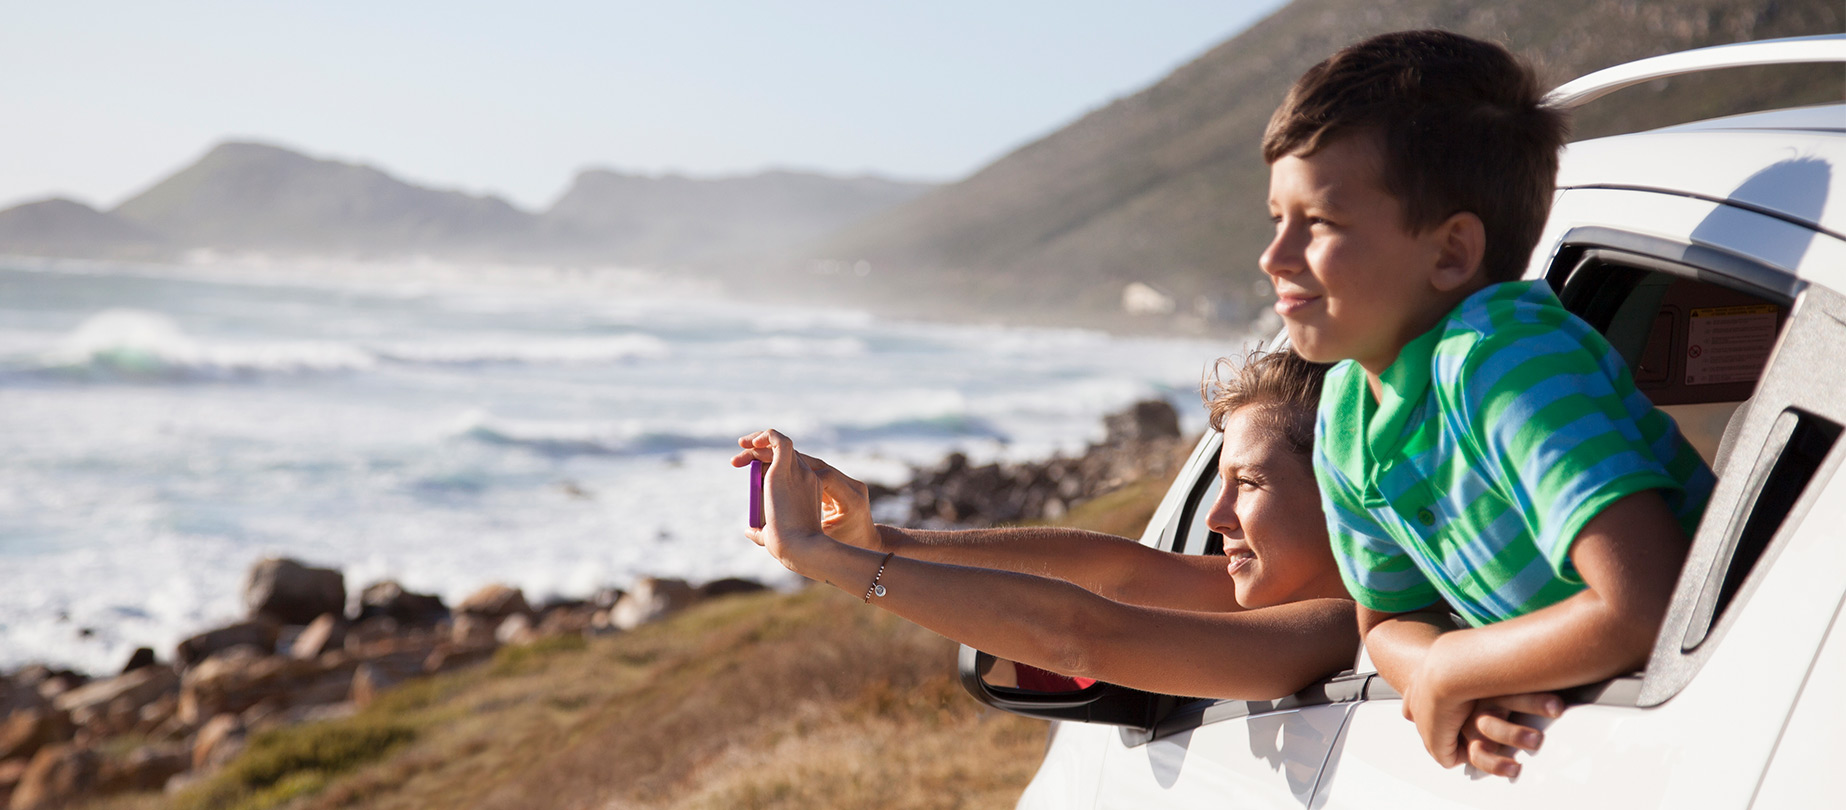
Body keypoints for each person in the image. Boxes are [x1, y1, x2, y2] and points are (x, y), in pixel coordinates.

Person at [1257, 30, 1716, 779]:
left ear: (1450, 254)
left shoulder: (1501, 360)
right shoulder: (1346, 409)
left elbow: (1646, 602)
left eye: (1321, 223)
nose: (1274, 255)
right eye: (1277, 217)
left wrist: (1457, 668)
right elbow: (1386, 621)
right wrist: (1441, 667)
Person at [732, 348, 1358, 702]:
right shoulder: (1290, 594)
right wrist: (877, 540)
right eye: (1220, 485)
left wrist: (827, 558)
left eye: (1247, 483)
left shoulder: (1338, 625)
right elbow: (1123, 571)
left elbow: (1080, 635)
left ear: (1348, 494)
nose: (1219, 517)